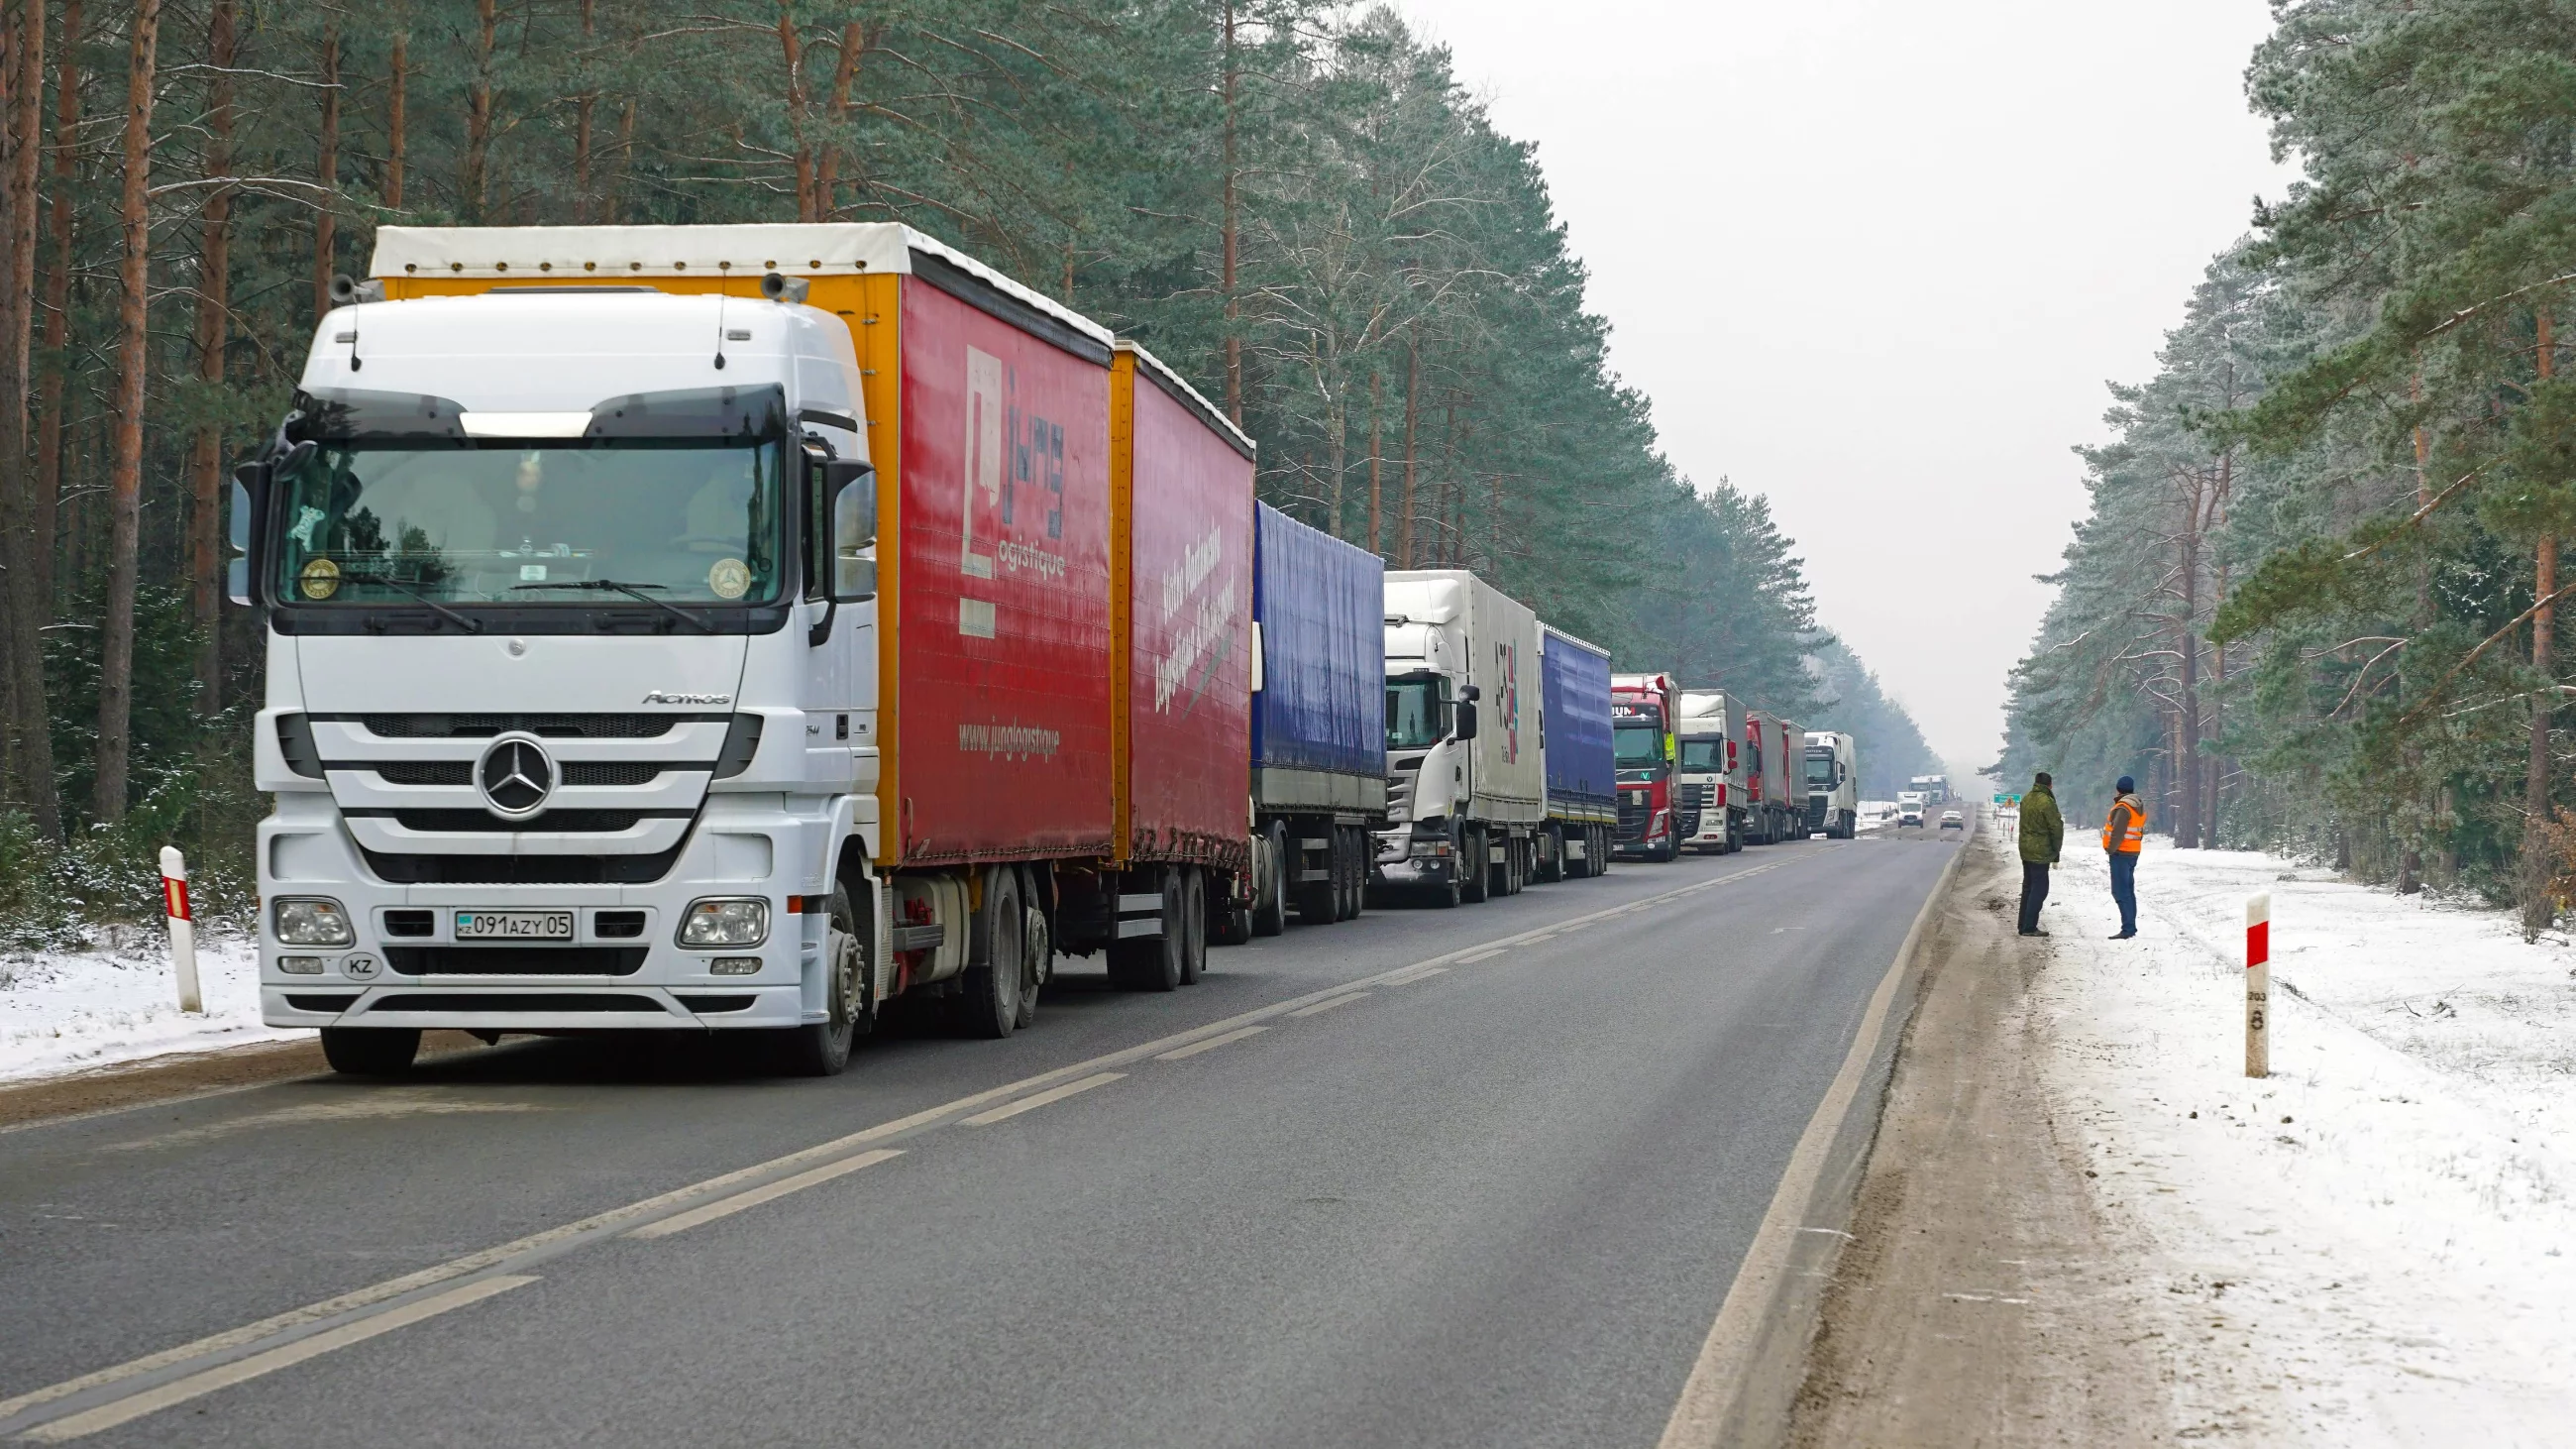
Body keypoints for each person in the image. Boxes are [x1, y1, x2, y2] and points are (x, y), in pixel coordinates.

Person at [2017, 772, 2062, 936]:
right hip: (2040, 852)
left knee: (2028, 887)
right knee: (2040, 889)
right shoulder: (2047, 802)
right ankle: (2029, 927)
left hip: (2025, 850)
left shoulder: (2027, 798)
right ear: (2050, 785)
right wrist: (2056, 850)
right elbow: (2056, 828)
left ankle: (2022, 925)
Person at [2103, 775, 2147, 939]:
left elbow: (2118, 832)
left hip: (2121, 853)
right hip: (2132, 852)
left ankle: (2128, 929)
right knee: (2128, 890)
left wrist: (2110, 849)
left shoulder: (2123, 807)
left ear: (2118, 789)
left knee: (2120, 891)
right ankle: (2130, 927)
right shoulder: (2137, 805)